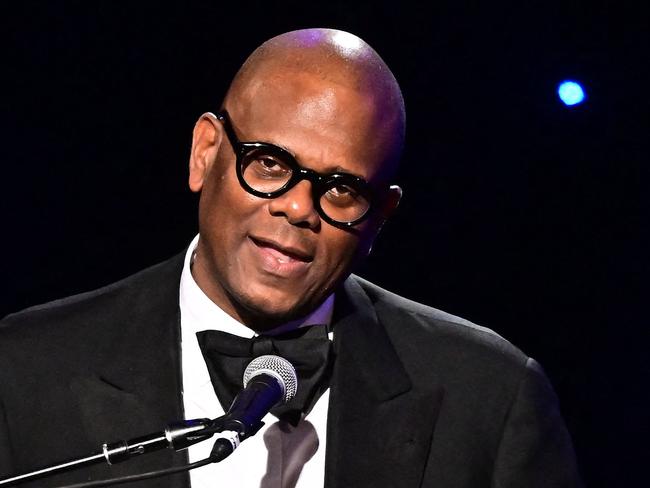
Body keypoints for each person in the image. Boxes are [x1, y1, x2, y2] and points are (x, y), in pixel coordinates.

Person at [0, 28, 582, 487]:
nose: (300, 209)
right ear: (206, 153)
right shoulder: (23, 371)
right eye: (271, 164)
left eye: (341, 189)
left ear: (379, 217)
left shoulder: (490, 397)